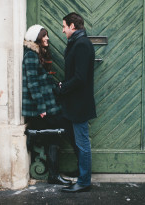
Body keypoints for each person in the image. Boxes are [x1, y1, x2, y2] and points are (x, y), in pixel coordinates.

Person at [22, 24, 73, 185]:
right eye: (44, 36)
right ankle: (53, 175)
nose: (47, 38)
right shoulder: (30, 56)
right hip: (42, 106)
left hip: (48, 102)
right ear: (35, 38)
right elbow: (32, 84)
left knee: (55, 134)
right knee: (54, 134)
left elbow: (41, 79)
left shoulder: (38, 54)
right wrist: (41, 107)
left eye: (47, 35)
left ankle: (53, 174)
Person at [56, 12, 96, 193]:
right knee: (79, 141)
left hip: (79, 103)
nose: (63, 30)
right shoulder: (77, 43)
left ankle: (84, 181)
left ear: (73, 26)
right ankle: (82, 174)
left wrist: (63, 87)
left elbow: (80, 77)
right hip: (75, 102)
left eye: (64, 26)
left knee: (82, 143)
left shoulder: (81, 44)